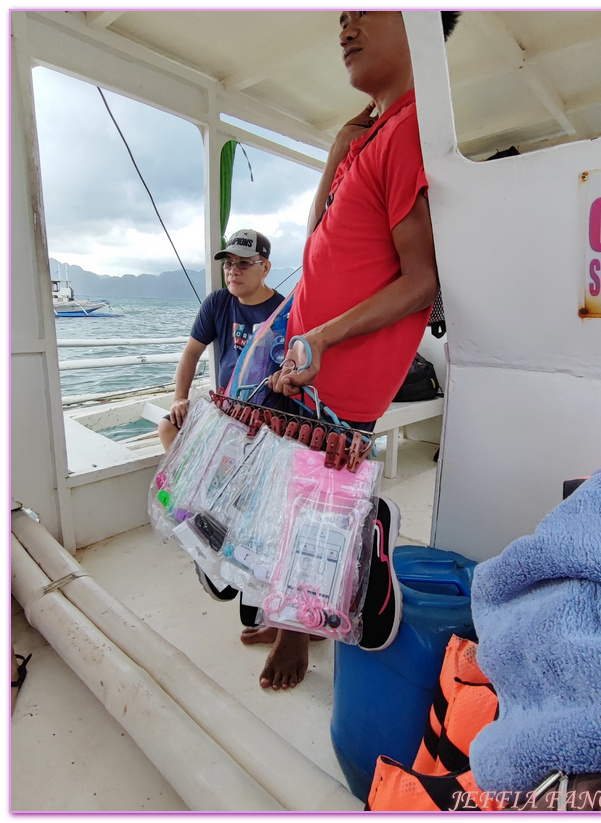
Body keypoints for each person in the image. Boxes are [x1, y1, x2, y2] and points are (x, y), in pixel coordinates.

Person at [243, 10, 461, 690]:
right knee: (286, 500)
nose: (345, 25)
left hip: (336, 377)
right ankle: (286, 611)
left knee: (318, 516)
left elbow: (421, 280)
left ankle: (302, 634)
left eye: (364, 10)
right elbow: (316, 246)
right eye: (341, 15)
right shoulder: (369, 136)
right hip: (304, 365)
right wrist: (336, 150)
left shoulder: (409, 132)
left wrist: (323, 336)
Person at [158, 229, 284, 450]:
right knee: (168, 426)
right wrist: (179, 398)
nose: (233, 271)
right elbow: (192, 352)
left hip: (268, 415)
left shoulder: (283, 312)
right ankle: (189, 484)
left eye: (243, 263)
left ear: (265, 267)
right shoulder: (217, 302)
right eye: (228, 263)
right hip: (225, 406)